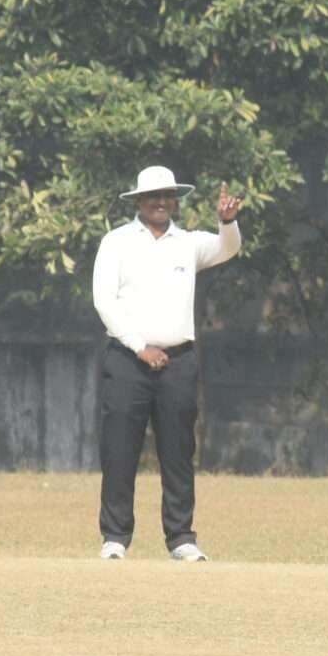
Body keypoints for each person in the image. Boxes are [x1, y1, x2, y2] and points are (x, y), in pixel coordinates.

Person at [91, 165, 241, 562]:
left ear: (176, 201)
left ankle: (181, 537)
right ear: (138, 201)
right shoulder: (117, 242)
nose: (161, 202)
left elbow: (228, 249)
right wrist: (140, 346)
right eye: (153, 196)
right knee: (119, 449)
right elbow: (104, 302)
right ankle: (115, 537)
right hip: (127, 359)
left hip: (178, 361)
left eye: (168, 196)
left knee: (178, 449)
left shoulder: (186, 243)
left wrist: (228, 222)